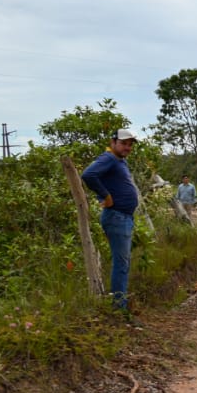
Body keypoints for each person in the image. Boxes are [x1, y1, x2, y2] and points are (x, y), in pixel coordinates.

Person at [81, 129, 140, 312]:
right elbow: (88, 175)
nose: (127, 147)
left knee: (123, 262)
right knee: (121, 263)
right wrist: (105, 196)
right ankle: (118, 308)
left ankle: (120, 303)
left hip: (123, 217)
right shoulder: (109, 159)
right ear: (113, 142)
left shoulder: (119, 161)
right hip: (116, 217)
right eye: (123, 143)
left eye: (130, 144)